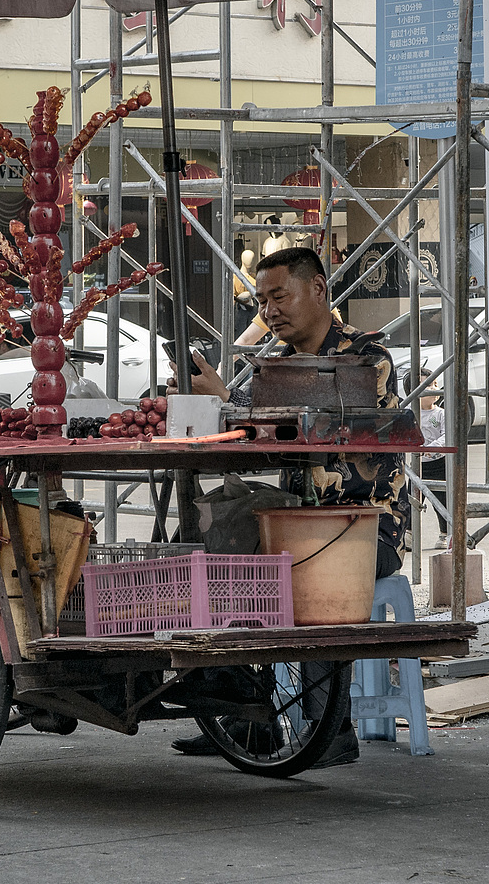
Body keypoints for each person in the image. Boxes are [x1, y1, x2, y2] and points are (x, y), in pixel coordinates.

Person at [167, 246, 409, 767]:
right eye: (262, 302)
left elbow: (319, 427)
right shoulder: (272, 366)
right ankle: (235, 705)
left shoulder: (366, 358)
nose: (270, 311)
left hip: (365, 527)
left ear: (319, 290)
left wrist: (240, 405)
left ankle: (333, 729)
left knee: (302, 564)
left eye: (280, 296)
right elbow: (253, 435)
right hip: (296, 519)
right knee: (204, 531)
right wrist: (218, 399)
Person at [419, 376, 448, 550]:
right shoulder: (411, 412)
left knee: (442, 500)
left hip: (438, 464)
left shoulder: (441, 413)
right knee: (411, 500)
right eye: (428, 385)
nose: (434, 388)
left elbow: (446, 435)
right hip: (419, 465)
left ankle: (444, 533)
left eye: (436, 384)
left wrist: (432, 447)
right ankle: (408, 533)